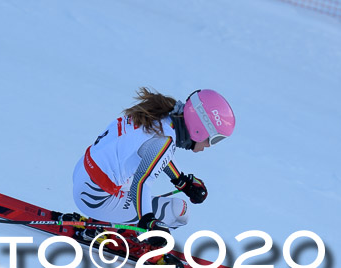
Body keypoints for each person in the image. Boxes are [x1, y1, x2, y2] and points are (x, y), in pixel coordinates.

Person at [71, 87, 235, 246]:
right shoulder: (165, 141)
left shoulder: (162, 117)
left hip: (83, 176)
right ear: (200, 129)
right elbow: (141, 182)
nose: (209, 146)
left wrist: (182, 181)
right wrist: (147, 221)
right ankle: (131, 239)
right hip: (95, 199)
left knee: (131, 176)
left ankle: (112, 223)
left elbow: (153, 153)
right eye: (214, 139)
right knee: (180, 212)